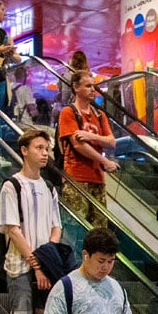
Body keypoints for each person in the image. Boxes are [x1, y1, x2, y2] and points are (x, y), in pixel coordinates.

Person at [0, 129, 63, 314]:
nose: (45, 153)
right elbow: (12, 229)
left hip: (45, 265)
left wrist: (47, 257)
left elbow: (56, 226)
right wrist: (36, 262)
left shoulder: (49, 187)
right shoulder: (13, 185)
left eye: (46, 148)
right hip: (20, 265)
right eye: (39, 147)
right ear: (24, 150)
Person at [57, 71, 118, 227]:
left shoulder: (99, 115)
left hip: (97, 178)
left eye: (94, 86)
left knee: (99, 228)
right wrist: (104, 160)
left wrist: (91, 136)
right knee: (76, 226)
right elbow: (78, 145)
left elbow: (111, 142)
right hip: (76, 178)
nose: (93, 89)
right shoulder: (68, 112)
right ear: (76, 88)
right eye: (88, 86)